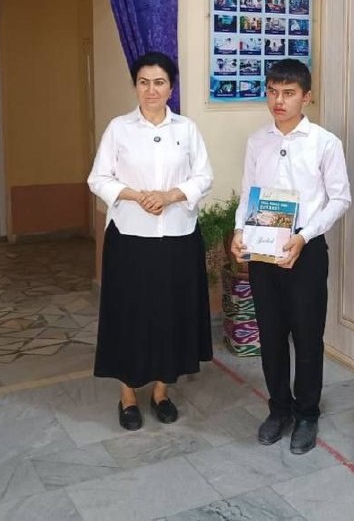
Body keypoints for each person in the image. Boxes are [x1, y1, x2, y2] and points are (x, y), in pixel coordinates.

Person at [88, 51, 214, 431]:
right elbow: (98, 178)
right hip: (130, 240)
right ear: (135, 86)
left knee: (171, 315)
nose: (151, 90)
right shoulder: (119, 128)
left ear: (171, 88)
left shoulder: (186, 129)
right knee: (129, 315)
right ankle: (128, 395)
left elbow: (204, 176)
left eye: (159, 82)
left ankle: (161, 391)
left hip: (178, 239)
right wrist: (136, 195)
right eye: (144, 82)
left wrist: (170, 196)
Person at [231, 59, 351, 454]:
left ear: (306, 96)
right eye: (272, 92)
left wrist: (304, 236)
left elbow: (340, 199)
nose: (278, 100)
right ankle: (279, 408)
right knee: (271, 334)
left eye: (288, 93)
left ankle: (307, 413)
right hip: (263, 251)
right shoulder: (257, 141)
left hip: (306, 250)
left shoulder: (324, 142)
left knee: (307, 335)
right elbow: (248, 192)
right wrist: (239, 230)